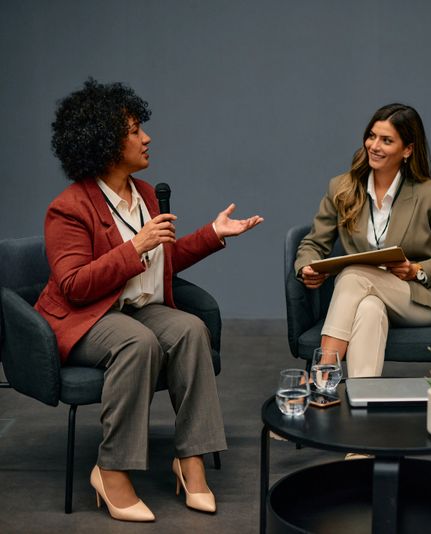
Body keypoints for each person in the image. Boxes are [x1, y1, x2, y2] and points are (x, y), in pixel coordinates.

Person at [35, 78, 263, 522]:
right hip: (87, 316)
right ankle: (111, 468)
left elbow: (163, 259)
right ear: (104, 141)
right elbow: (74, 285)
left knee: (191, 329)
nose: (147, 137)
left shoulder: (141, 194)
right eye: (135, 130)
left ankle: (191, 460)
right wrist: (134, 247)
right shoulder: (69, 207)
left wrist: (213, 234)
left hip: (135, 306)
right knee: (137, 342)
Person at [295, 103, 431, 378]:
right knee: (369, 309)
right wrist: (306, 266)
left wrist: (418, 270)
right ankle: (362, 403)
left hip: (415, 299)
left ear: (407, 150)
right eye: (371, 136)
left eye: (386, 140)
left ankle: (322, 379)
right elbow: (313, 243)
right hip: (360, 297)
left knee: (354, 274)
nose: (374, 146)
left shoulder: (430, 195)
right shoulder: (342, 188)